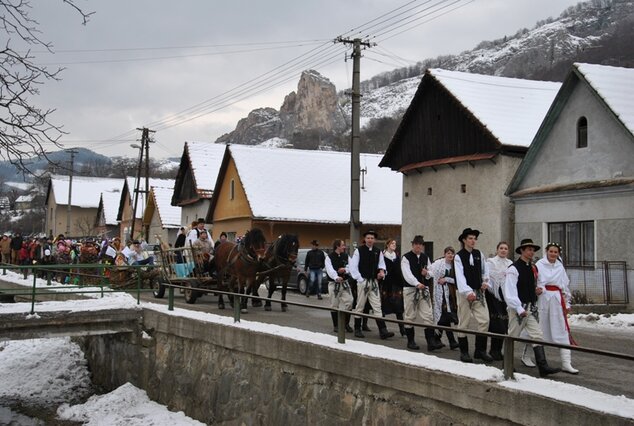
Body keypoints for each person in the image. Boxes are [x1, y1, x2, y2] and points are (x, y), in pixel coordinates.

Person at [503, 239, 560, 377]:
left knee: (537, 335)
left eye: (533, 250)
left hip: (531, 307)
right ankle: (507, 365)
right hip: (519, 308)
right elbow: (509, 291)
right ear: (522, 251)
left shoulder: (532, 267)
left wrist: (537, 290)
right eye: (529, 249)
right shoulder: (513, 269)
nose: (531, 252)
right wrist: (518, 308)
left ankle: (543, 366)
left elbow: (532, 285)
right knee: (513, 336)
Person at [536, 242, 579, 374]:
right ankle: (527, 356)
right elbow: (537, 281)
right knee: (538, 329)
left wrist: (566, 302)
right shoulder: (539, 265)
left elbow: (564, 285)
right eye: (551, 251)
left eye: (556, 252)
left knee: (561, 329)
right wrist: (539, 289)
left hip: (557, 300)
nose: (553, 254)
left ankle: (566, 363)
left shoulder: (560, 267)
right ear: (546, 251)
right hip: (543, 299)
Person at [454, 227, 492, 363]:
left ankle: (480, 350)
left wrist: (485, 281)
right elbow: (459, 276)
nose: (473, 241)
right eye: (470, 238)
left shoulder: (479, 254)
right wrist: (467, 291)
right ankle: (464, 352)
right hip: (464, 293)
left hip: (478, 292)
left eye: (474, 238)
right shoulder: (459, 256)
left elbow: (485, 270)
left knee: (485, 320)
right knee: (463, 322)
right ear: (464, 240)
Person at [349, 230, 394, 340]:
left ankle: (383, 330)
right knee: (360, 305)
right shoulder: (358, 251)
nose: (370, 240)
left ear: (374, 240)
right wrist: (360, 279)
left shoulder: (377, 251)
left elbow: (381, 265)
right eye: (368, 238)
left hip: (373, 282)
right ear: (365, 239)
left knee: (377, 305)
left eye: (372, 238)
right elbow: (353, 267)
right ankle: (357, 329)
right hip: (363, 281)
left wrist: (382, 272)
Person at [401, 235, 442, 351]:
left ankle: (431, 342)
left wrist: (427, 274)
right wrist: (416, 283)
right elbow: (407, 274)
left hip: (424, 290)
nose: (418, 246)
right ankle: (411, 341)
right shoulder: (406, 258)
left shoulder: (425, 257)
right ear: (413, 245)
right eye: (416, 244)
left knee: (428, 315)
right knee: (410, 316)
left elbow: (431, 272)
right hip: (411, 289)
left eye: (420, 244)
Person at [485, 241, 513, 361]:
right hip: (493, 296)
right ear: (497, 250)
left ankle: (498, 350)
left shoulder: (510, 263)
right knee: (496, 323)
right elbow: (490, 277)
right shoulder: (491, 262)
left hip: (506, 296)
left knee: (504, 324)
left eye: (505, 248)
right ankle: (493, 350)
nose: (503, 250)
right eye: (501, 248)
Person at [431, 246, 459, 350]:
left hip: (451, 294)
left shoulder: (455, 266)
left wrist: (446, 279)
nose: (450, 255)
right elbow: (431, 273)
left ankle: (437, 339)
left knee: (446, 316)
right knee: (445, 316)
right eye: (448, 253)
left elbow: (457, 279)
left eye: (452, 253)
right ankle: (450, 341)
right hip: (440, 293)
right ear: (444, 254)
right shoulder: (438, 264)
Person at [325, 239, 354, 333]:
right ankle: (336, 325)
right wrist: (336, 276)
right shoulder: (329, 257)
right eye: (342, 245)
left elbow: (351, 266)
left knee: (350, 301)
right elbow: (329, 270)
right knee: (334, 304)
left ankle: (345, 324)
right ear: (337, 246)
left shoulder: (346, 256)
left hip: (345, 283)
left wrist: (345, 270)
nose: (344, 247)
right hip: (334, 284)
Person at [381, 239, 405, 337]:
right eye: (392, 243)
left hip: (396, 284)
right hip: (386, 284)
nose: (394, 245)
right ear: (387, 245)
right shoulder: (382, 255)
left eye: (395, 243)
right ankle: (383, 330)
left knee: (399, 308)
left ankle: (403, 329)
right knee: (383, 307)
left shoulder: (397, 256)